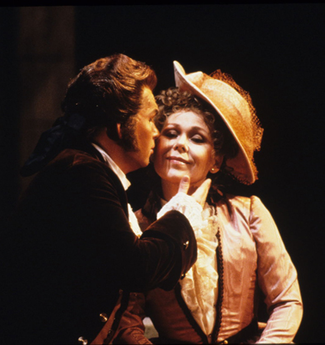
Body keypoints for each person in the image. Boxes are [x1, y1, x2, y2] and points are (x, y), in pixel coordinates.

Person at [0, 54, 202, 345]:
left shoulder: (92, 171)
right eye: (150, 119)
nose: (155, 130)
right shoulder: (81, 173)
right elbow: (136, 266)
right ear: (119, 127)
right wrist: (179, 215)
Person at [114, 61, 303, 344]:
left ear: (215, 160)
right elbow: (128, 319)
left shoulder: (249, 213)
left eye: (197, 138)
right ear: (156, 144)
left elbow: (287, 301)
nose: (180, 144)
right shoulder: (137, 224)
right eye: (171, 133)